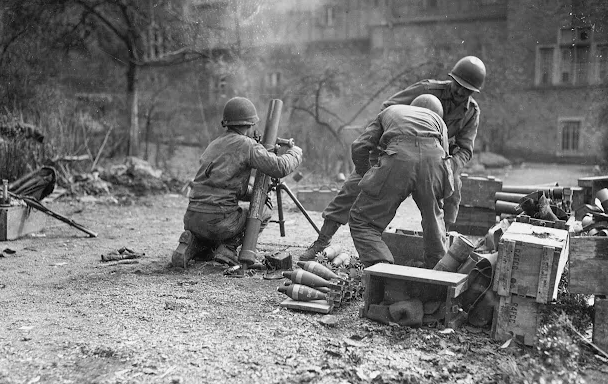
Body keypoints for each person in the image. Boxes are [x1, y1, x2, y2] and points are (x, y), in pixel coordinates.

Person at [299, 56, 485, 261]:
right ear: (451, 79)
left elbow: (465, 150)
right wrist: (380, 154)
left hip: (437, 156)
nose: (460, 93)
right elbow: (389, 108)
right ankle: (322, 241)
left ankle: (441, 247)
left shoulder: (472, 112)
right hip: (394, 146)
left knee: (452, 193)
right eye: (457, 86)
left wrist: (449, 166)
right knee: (354, 185)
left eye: (466, 90)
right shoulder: (427, 89)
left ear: (474, 92)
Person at [172, 96, 303, 268]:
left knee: (208, 243)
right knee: (263, 209)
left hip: (192, 219)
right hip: (219, 222)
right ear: (250, 124)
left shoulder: (214, 144)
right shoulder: (246, 145)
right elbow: (279, 168)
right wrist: (295, 153)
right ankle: (229, 248)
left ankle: (193, 243)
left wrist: (250, 193)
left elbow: (225, 186)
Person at [348, 94, 452, 268]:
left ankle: (381, 266)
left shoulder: (391, 110)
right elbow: (445, 158)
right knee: (433, 220)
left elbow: (359, 146)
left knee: (362, 220)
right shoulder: (438, 121)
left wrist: (368, 175)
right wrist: (436, 200)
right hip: (434, 159)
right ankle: (438, 270)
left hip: (399, 156)